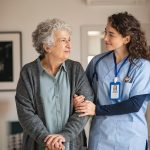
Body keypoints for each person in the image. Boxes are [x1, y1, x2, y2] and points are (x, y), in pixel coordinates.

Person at [74, 12, 150, 150]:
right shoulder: (97, 62)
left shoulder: (142, 66)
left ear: (126, 39)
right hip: (101, 136)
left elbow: (134, 104)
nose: (105, 38)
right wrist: (79, 99)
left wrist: (97, 109)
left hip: (131, 137)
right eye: (105, 32)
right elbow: (84, 91)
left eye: (111, 34)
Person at [15, 18, 94, 150]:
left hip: (72, 145)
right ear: (47, 46)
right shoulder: (28, 72)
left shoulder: (75, 69)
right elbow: (25, 113)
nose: (69, 45)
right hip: (39, 145)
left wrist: (64, 136)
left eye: (69, 40)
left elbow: (86, 107)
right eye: (63, 40)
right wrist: (48, 140)